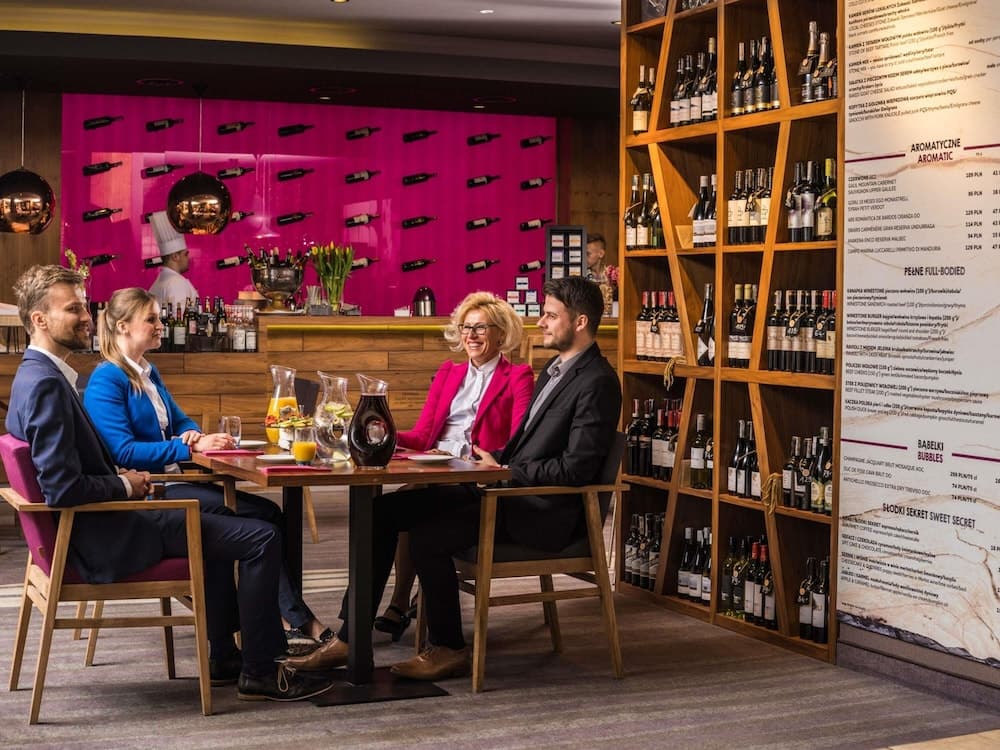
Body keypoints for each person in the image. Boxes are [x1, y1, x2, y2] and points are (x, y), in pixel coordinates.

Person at [6, 265, 334, 702]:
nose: (87, 316)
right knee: (261, 537)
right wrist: (126, 486)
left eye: (85, 306)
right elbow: (63, 488)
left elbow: (71, 473)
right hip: (109, 534)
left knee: (237, 523)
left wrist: (130, 478)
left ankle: (227, 657)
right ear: (39, 320)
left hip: (104, 523)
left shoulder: (35, 377)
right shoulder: (50, 385)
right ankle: (261, 671)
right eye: (73, 309)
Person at [284, 276, 621, 680]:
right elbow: (526, 444)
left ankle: (448, 648)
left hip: (539, 509)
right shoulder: (555, 369)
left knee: (428, 537)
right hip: (504, 490)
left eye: (550, 315)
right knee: (381, 512)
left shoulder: (598, 382)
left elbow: (577, 469)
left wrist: (504, 470)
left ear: (580, 322)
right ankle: (350, 637)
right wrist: (494, 462)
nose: (541, 322)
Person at [82, 287, 331, 653]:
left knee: (268, 514)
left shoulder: (147, 372)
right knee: (263, 518)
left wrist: (193, 434)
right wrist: (187, 447)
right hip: (152, 490)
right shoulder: (108, 379)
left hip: (173, 480)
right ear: (122, 326)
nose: (160, 325)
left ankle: (281, 622)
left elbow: (181, 420)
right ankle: (289, 623)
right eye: (151, 319)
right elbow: (123, 450)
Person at [373, 291, 534, 640]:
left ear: (501, 333)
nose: (471, 335)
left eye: (481, 328)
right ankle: (403, 602)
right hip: (436, 468)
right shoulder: (449, 372)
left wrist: (481, 459)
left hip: (475, 476)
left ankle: (399, 604)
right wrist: (385, 432)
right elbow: (423, 435)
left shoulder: (518, 376)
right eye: (465, 327)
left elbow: (518, 441)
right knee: (405, 499)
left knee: (406, 501)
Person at [148, 210, 199, 311]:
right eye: (185, 254)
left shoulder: (157, 283)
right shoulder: (176, 283)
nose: (188, 258)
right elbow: (180, 318)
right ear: (175, 256)